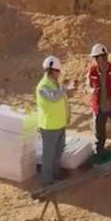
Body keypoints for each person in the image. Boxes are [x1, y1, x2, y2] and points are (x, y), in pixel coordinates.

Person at [36, 55, 69, 186]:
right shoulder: (42, 86)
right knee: (49, 155)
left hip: (60, 124)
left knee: (58, 152)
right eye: (57, 71)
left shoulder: (55, 83)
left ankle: (56, 175)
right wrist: (64, 87)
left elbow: (61, 100)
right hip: (49, 126)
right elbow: (54, 98)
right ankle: (47, 180)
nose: (59, 74)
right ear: (52, 71)